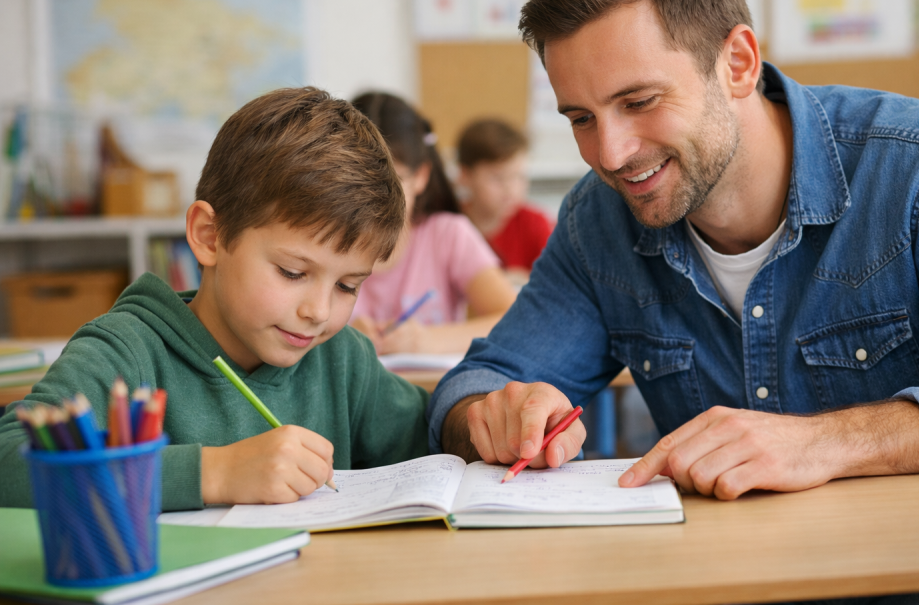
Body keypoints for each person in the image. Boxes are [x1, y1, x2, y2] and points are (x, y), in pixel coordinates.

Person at [428, 0, 919, 504]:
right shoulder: (597, 219)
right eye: (581, 118)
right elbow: (478, 382)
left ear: (737, 63)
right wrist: (491, 415)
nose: (610, 154)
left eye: (639, 101)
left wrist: (824, 442)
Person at [0, 87, 429, 511]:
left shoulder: (342, 360)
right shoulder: (128, 353)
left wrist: (477, 416)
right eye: (292, 273)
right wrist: (216, 472)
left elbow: (432, 429)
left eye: (347, 286)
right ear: (209, 236)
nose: (318, 311)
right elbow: (10, 461)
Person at [348, 93, 517, 355]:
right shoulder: (325, 243)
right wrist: (339, 339)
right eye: (358, 180)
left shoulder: (447, 235)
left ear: (421, 177)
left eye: (392, 181)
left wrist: (427, 340)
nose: (372, 196)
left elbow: (514, 319)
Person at [456, 119, 554, 283]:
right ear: (465, 176)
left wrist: (524, 278)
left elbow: (556, 282)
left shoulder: (535, 224)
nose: (511, 190)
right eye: (497, 178)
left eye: (518, 176)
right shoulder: (450, 223)